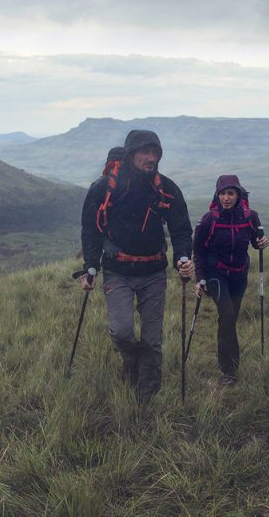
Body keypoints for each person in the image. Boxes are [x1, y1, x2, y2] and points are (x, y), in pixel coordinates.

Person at [80, 130, 193, 404]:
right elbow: (91, 230)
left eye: (155, 153)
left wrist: (183, 258)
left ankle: (147, 398)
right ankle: (130, 360)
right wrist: (90, 266)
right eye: (145, 152)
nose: (151, 158)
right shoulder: (105, 188)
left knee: (152, 340)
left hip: (154, 272)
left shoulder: (166, 188)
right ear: (131, 154)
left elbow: (181, 229)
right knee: (122, 332)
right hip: (117, 271)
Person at [192, 175, 269, 386]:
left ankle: (229, 364)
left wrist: (261, 242)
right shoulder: (209, 220)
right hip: (215, 274)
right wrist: (199, 279)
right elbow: (198, 251)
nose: (226, 198)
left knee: (230, 319)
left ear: (238, 195)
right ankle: (229, 371)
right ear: (217, 195)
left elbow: (255, 242)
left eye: (230, 193)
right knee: (226, 315)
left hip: (239, 275)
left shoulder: (250, 217)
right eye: (222, 193)